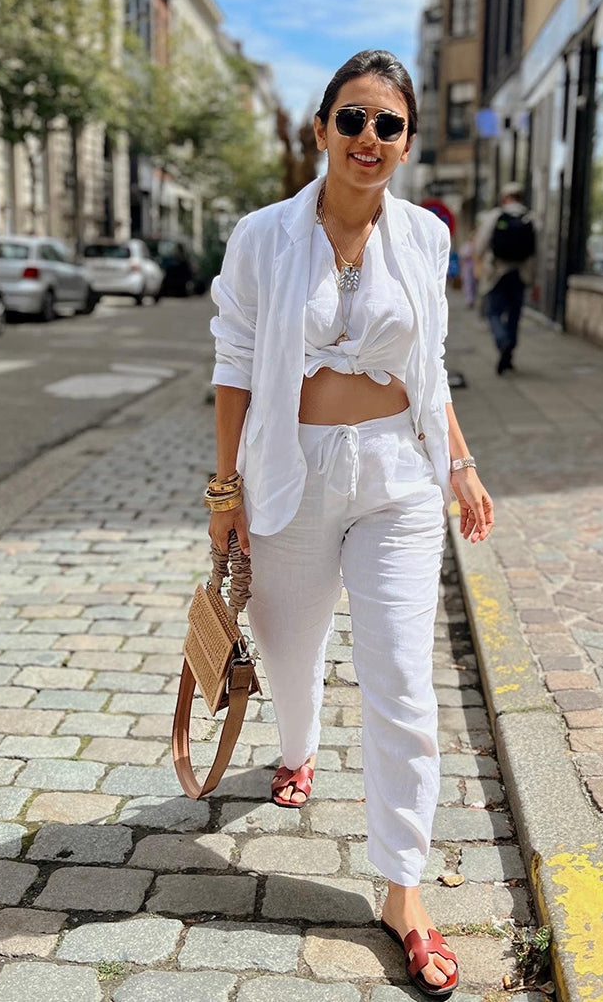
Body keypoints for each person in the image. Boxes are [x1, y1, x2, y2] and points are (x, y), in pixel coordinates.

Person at [207, 49, 494, 998]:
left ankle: (402, 888)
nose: (370, 139)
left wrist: (459, 464)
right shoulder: (262, 235)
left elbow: (434, 365)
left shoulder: (424, 238)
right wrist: (225, 493)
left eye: (389, 125)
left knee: (403, 676)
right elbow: (237, 363)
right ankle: (296, 752)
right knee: (290, 651)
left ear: (407, 141)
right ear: (322, 127)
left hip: (395, 480)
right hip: (288, 473)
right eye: (354, 119)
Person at [474, 181, 536, 375]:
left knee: (493, 312)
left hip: (497, 273)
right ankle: (509, 353)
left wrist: (479, 261)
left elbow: (480, 245)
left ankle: (502, 342)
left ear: (505, 197)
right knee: (515, 314)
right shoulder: (531, 218)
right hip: (520, 274)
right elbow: (536, 251)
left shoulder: (495, 216)